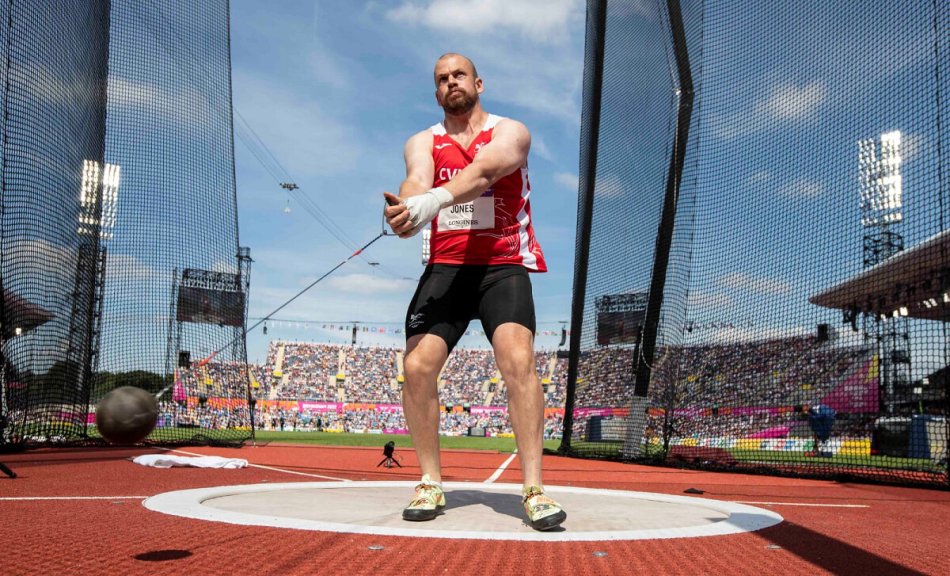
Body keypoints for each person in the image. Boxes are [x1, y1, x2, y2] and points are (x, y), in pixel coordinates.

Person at [383, 53, 566, 531]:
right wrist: (407, 208)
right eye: (441, 79)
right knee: (417, 366)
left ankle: (534, 489)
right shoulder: (423, 140)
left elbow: (485, 172)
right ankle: (429, 480)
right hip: (446, 268)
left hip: (500, 266)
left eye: (458, 75)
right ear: (436, 92)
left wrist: (433, 201)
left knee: (517, 360)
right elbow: (416, 178)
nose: (450, 83)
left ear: (479, 82)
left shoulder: (512, 131)